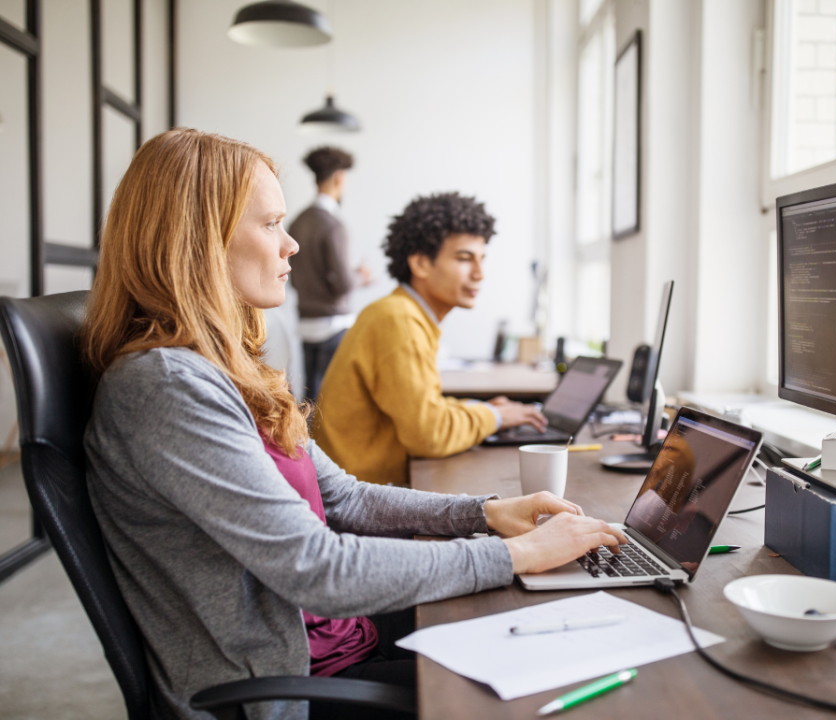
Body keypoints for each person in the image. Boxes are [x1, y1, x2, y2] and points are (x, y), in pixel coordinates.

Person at [80, 129, 626, 720]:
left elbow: (341, 496)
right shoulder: (166, 385)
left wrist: (485, 514)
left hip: (331, 639)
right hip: (281, 687)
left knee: (548, 627)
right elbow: (317, 568)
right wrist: (517, 554)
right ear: (198, 241)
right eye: (270, 225)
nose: (290, 245)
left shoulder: (224, 367)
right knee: (547, 687)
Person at [313, 193, 547, 487]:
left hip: (362, 487)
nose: (480, 273)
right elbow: (429, 435)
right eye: (464, 258)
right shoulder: (399, 320)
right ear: (421, 263)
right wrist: (493, 417)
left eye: (481, 259)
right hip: (360, 498)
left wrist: (482, 410)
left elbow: (423, 408)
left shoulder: (400, 312)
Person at [288, 146, 372, 401]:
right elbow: (344, 284)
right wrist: (362, 276)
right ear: (339, 178)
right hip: (334, 325)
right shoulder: (332, 224)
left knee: (310, 399)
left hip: (305, 322)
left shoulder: (297, 221)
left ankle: (305, 442)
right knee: (333, 400)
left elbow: (292, 277)